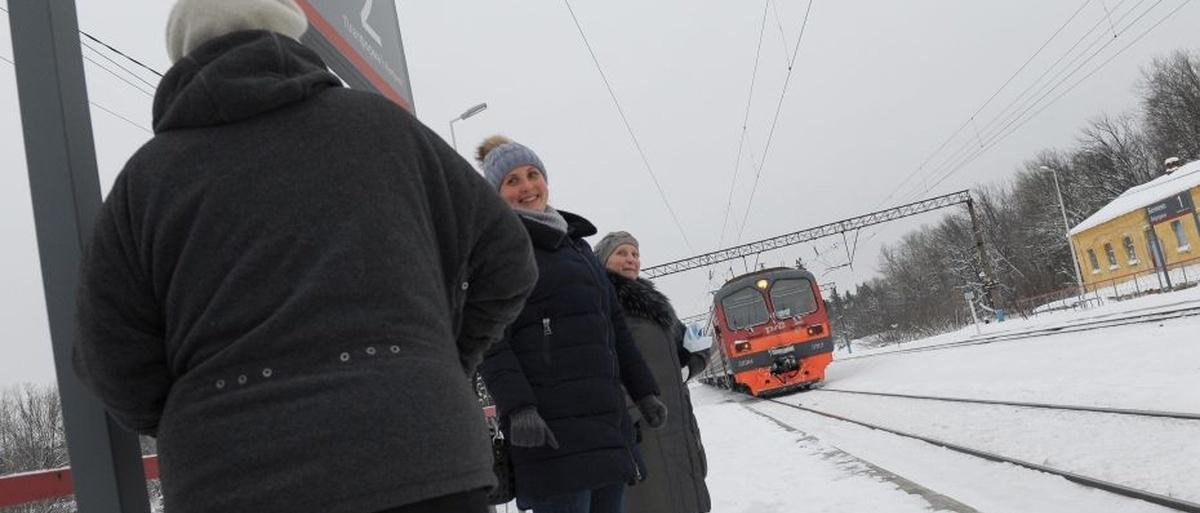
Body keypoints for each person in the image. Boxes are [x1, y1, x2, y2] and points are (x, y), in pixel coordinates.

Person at [72, 2, 538, 513]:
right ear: (290, 34)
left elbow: (106, 354)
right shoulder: (387, 128)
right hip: (424, 455)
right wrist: (440, 361)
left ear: (183, 54)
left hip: (229, 478)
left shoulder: (145, 182)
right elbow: (509, 258)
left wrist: (199, 413)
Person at [476, 136, 667, 513]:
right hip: (550, 432)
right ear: (497, 195)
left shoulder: (577, 247)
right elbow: (490, 337)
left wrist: (644, 390)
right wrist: (518, 408)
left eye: (533, 174)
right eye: (512, 181)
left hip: (605, 422)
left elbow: (613, 325)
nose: (527, 186)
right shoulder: (497, 250)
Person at [594, 232, 711, 513]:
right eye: (621, 253)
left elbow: (684, 354)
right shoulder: (599, 305)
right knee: (652, 499)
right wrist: (630, 411)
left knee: (685, 496)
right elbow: (597, 368)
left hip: (677, 422)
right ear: (602, 260)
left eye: (634, 254)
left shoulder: (657, 306)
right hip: (640, 427)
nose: (631, 259)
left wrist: (694, 359)